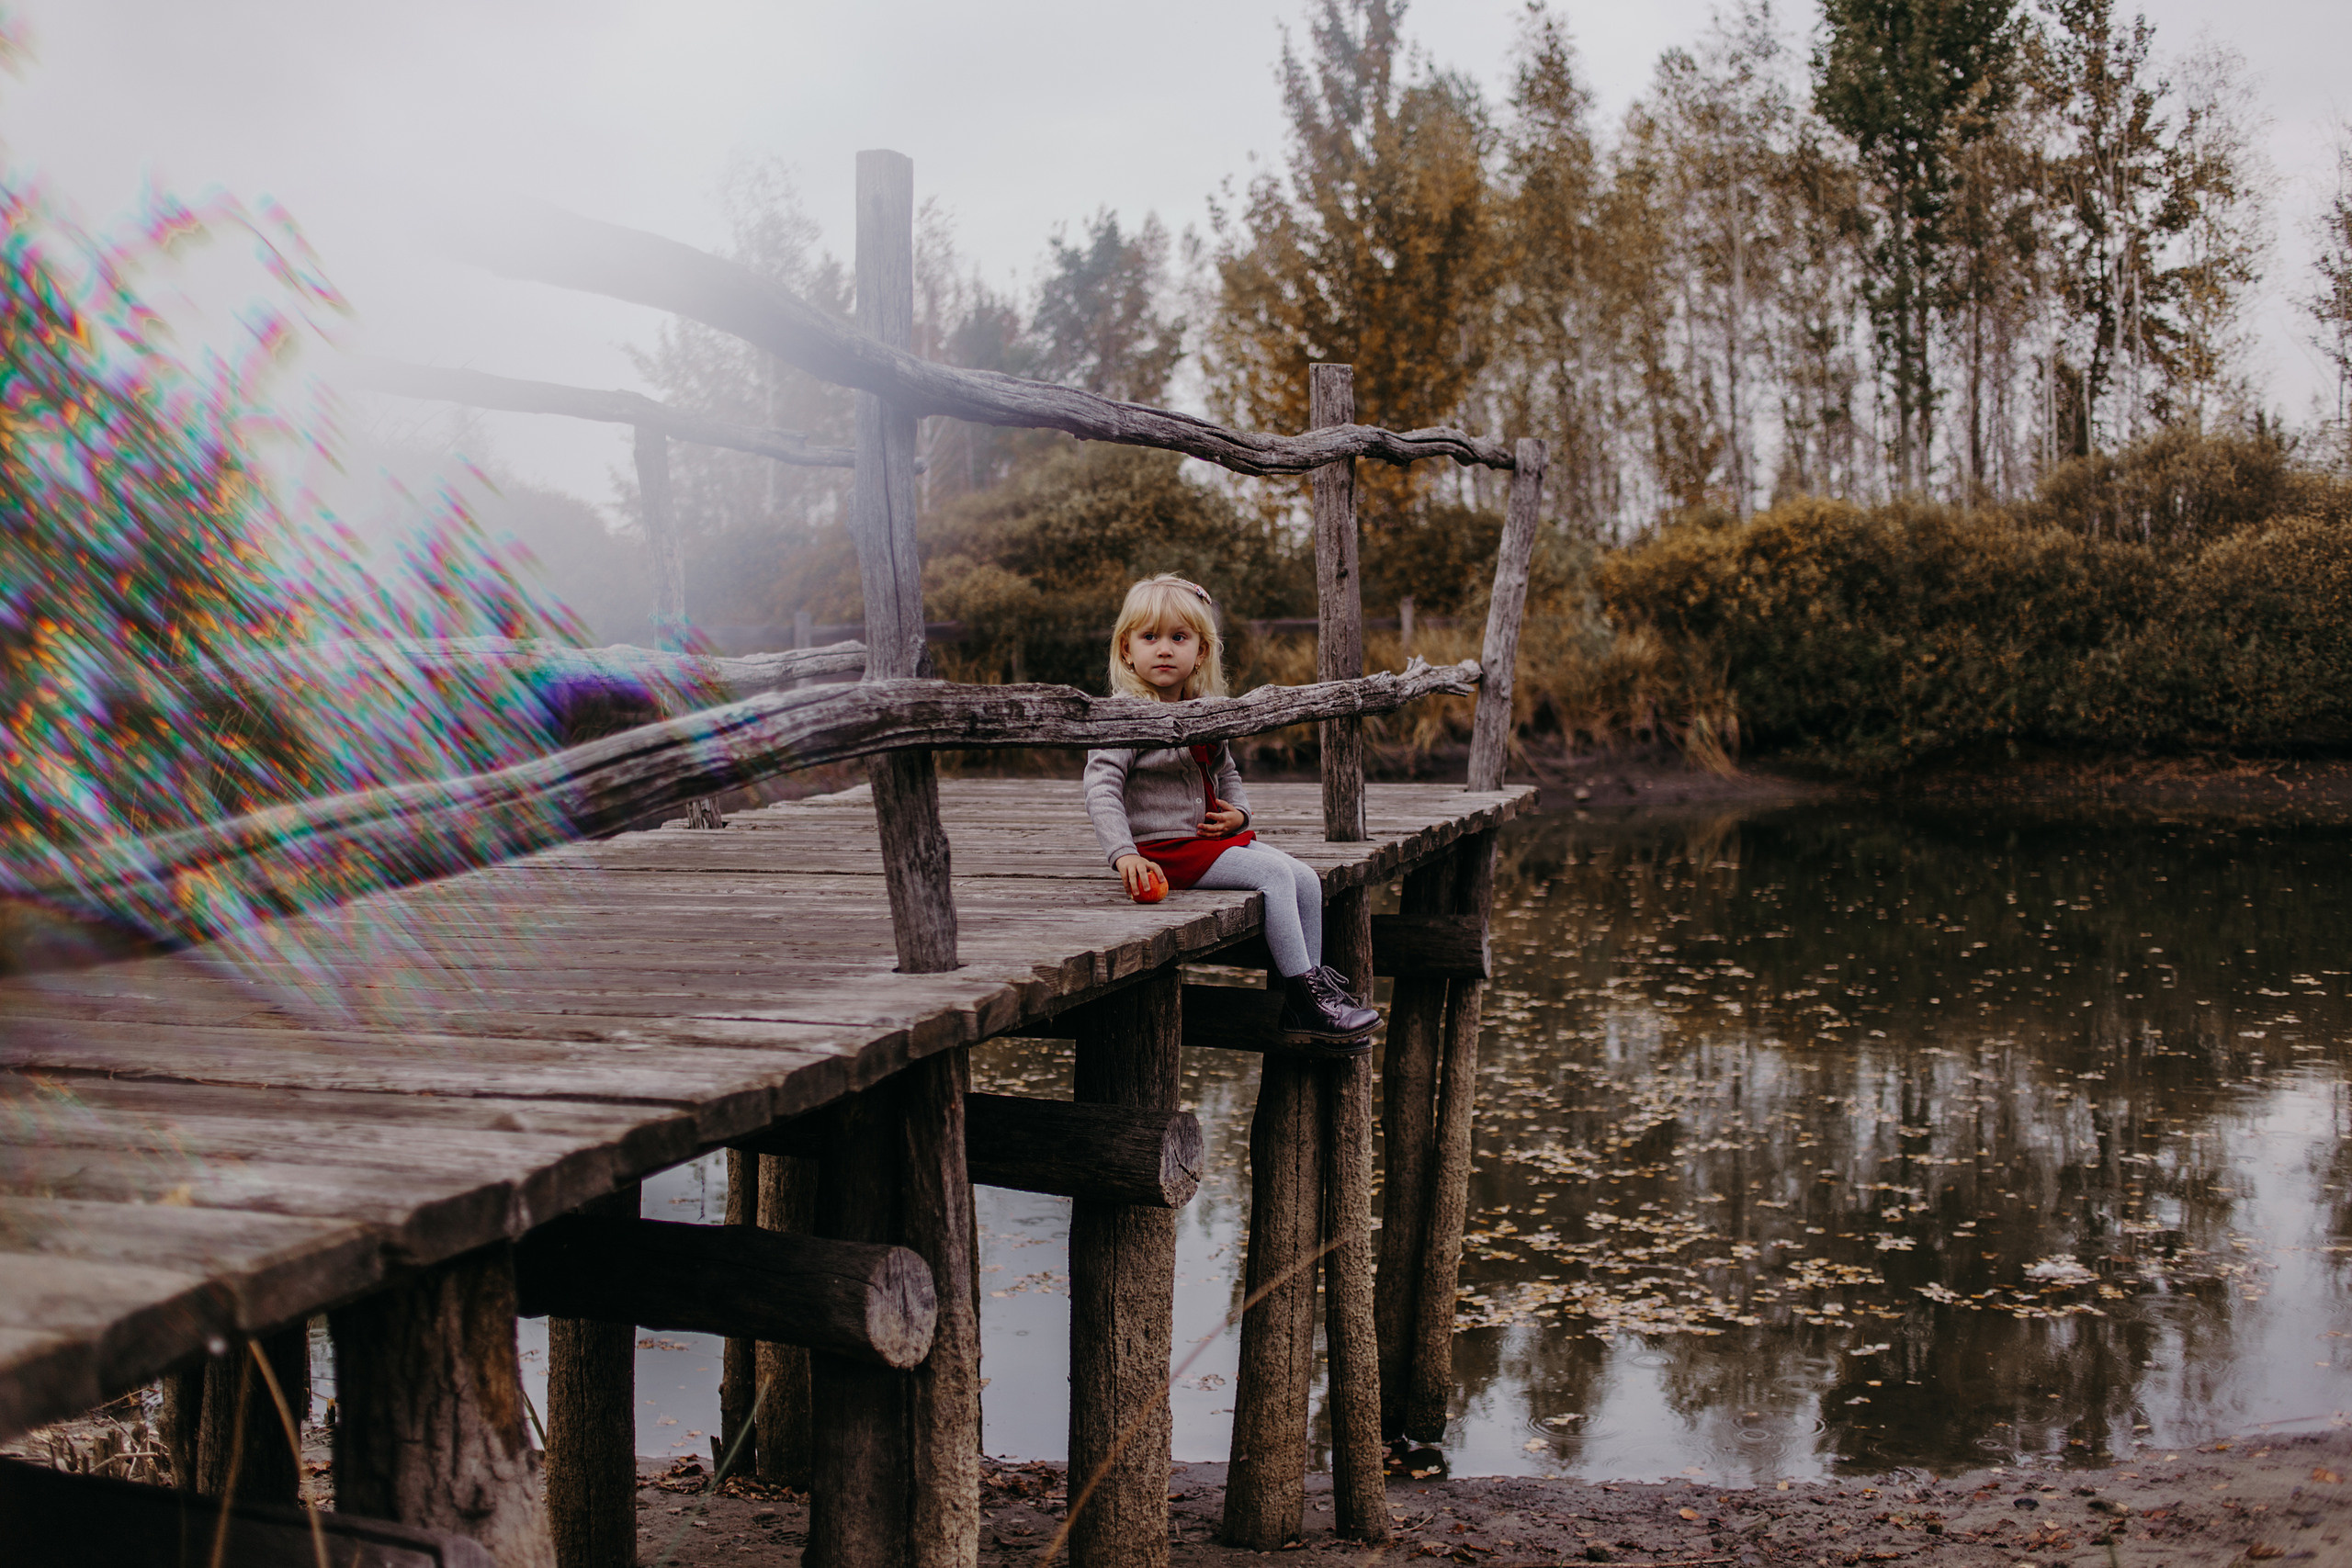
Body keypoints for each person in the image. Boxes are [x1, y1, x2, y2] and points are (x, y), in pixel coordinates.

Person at [1081, 574, 1380, 1051]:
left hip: (1206, 842)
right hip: (1164, 851)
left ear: (1201, 651)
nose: (1164, 649)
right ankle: (1305, 1001)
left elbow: (1227, 771)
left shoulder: (1205, 711)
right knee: (1276, 878)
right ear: (1126, 649)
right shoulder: (1125, 715)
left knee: (1305, 878)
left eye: (1179, 638)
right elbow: (1101, 788)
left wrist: (1239, 813)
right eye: (1150, 637)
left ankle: (1313, 996)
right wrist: (1124, 854)